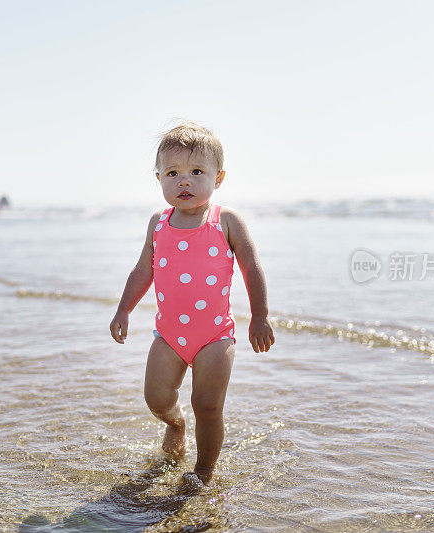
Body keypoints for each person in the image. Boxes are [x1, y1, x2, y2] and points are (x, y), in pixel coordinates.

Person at [110, 121, 275, 485]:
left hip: (215, 335)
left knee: (209, 405)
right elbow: (143, 270)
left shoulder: (226, 221)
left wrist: (260, 316)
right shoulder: (159, 222)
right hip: (168, 335)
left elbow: (251, 265)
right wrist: (124, 308)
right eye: (172, 173)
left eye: (196, 171)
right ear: (159, 178)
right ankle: (176, 424)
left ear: (219, 177)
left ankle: (203, 471)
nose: (184, 181)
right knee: (155, 397)